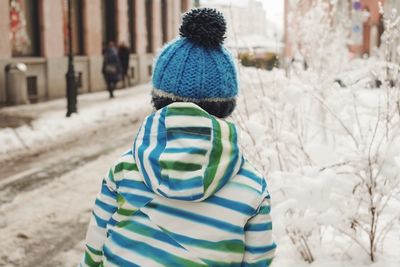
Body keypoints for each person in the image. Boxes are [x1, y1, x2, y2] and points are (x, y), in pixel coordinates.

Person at [81, 8, 276, 267]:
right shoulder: (252, 187)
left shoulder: (124, 171)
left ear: (158, 101)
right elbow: (258, 262)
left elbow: (94, 251)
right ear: (226, 107)